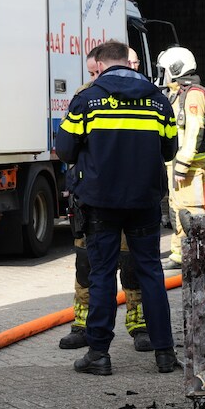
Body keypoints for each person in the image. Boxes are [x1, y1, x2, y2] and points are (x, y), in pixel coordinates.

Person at [55, 40, 179, 376]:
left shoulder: (87, 99)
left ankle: (99, 355)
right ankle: (164, 353)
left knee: (102, 276)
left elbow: (64, 149)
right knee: (151, 273)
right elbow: (169, 151)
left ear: (102, 64)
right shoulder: (158, 100)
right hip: (144, 202)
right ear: (129, 62)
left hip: (101, 204)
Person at [60, 45, 150, 353]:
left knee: (132, 265)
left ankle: (139, 325)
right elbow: (67, 147)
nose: (96, 77)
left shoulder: (143, 96)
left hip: (128, 196)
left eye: (97, 71)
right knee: (86, 265)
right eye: (92, 73)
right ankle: (82, 325)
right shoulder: (84, 96)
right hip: (92, 197)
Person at [157, 46, 205, 270]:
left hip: (190, 166)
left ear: (176, 68)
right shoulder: (178, 93)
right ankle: (180, 254)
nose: (163, 75)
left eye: (165, 70)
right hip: (178, 164)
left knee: (192, 211)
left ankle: (198, 255)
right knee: (177, 209)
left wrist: (183, 163)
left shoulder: (194, 94)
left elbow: (194, 131)